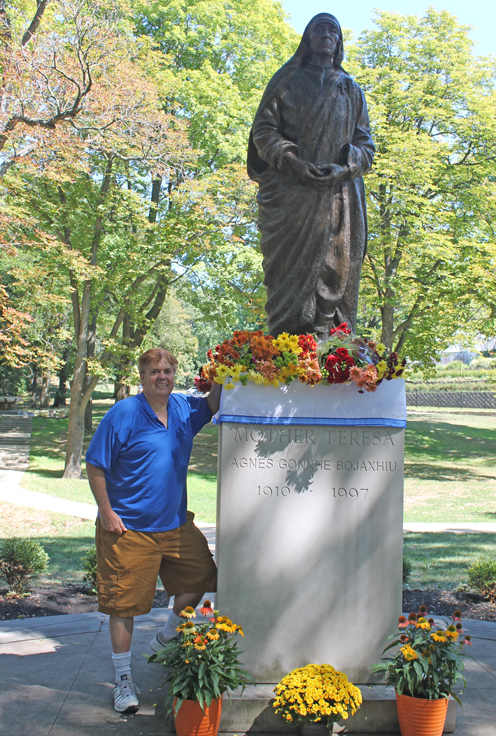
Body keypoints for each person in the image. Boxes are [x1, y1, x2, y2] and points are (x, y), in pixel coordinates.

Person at [86, 348, 221, 713]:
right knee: (123, 605)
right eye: (155, 372)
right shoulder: (124, 414)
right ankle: (123, 680)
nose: (162, 376)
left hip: (175, 525)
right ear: (143, 377)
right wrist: (107, 512)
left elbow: (212, 403)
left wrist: (227, 369)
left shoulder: (182, 409)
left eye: (168, 371)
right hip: (128, 530)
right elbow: (95, 465)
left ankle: (166, 636)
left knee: (204, 576)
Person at [247, 13, 375, 340]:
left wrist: (346, 167)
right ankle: (289, 350)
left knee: (338, 268)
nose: (326, 34)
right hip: (292, 196)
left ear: (339, 42)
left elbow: (365, 144)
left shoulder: (351, 90)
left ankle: (334, 352)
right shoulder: (287, 80)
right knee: (287, 277)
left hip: (338, 200)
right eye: (319, 28)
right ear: (307, 38)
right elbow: (263, 130)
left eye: (333, 29)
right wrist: (291, 159)